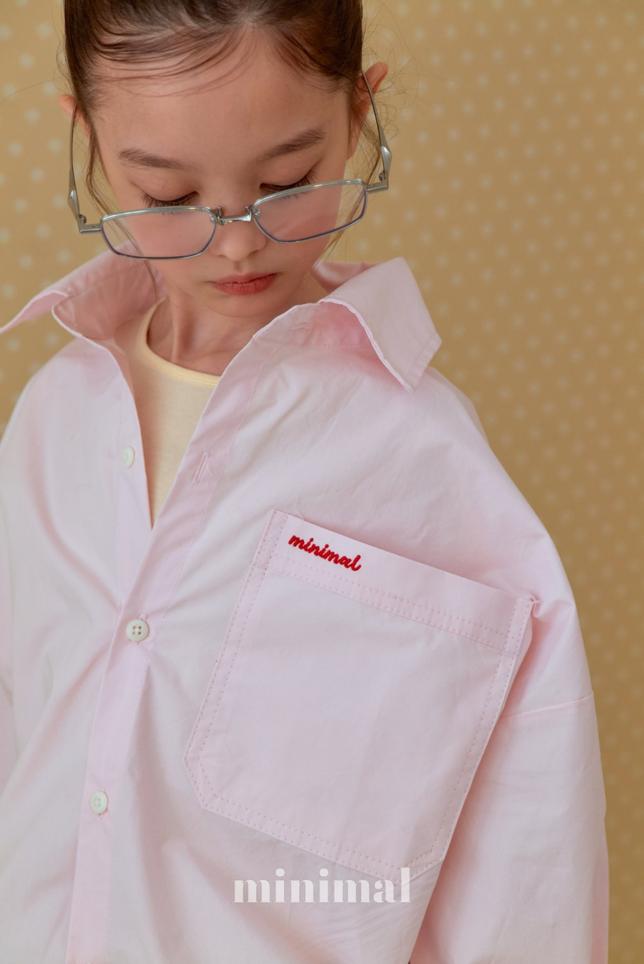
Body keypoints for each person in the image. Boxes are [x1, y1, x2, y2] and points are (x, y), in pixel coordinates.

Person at [0, 2, 609, 962]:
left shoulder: (428, 466)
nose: (237, 243)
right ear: (90, 141)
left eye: (286, 183)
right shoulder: (49, 419)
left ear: (358, 115)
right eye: (167, 194)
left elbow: (528, 843)